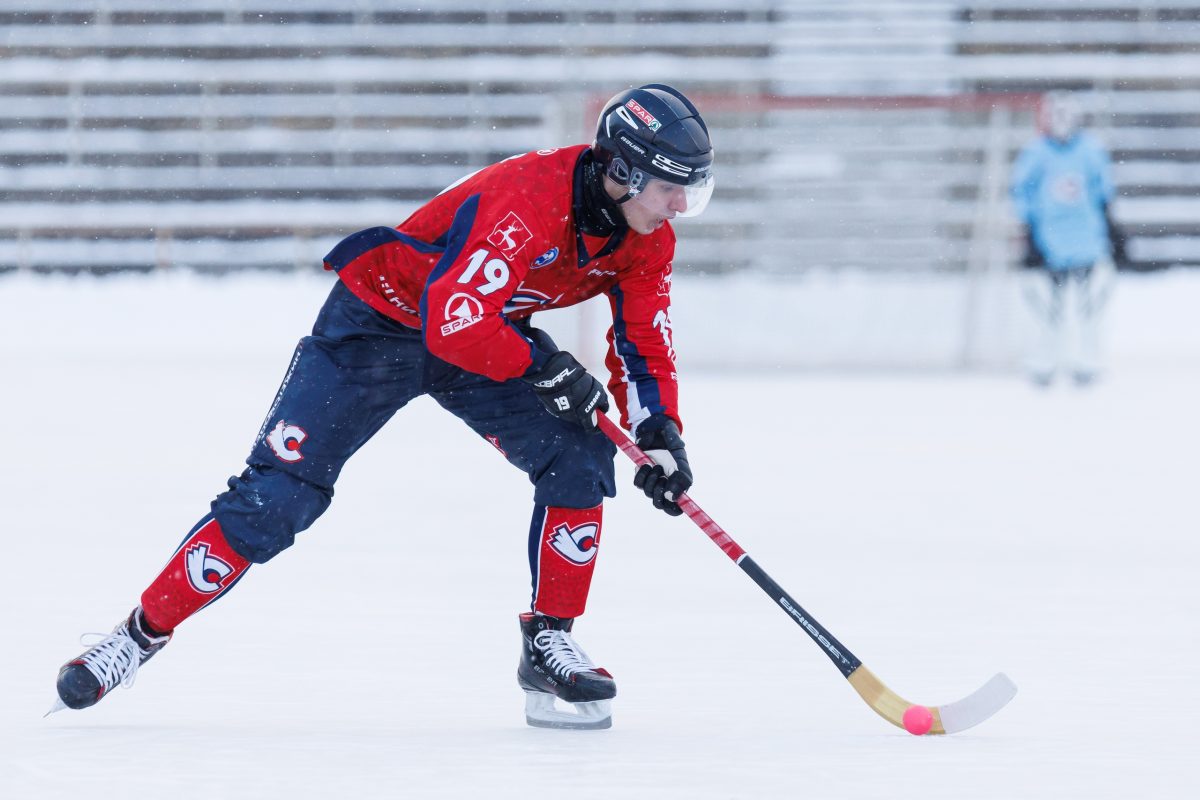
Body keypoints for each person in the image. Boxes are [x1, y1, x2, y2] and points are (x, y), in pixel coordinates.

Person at [50, 84, 713, 731]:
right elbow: (449, 321)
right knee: (279, 499)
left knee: (579, 451)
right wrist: (543, 366)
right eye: (670, 186)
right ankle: (136, 637)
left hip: (484, 337)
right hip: (379, 327)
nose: (681, 204)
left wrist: (659, 433)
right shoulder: (528, 202)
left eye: (692, 187)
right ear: (621, 171)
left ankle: (548, 645)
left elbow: (644, 341)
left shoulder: (647, 237)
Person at [1010, 92, 1126, 386]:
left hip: (1086, 241)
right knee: (1049, 311)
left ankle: (1087, 361)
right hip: (1049, 243)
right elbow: (1022, 195)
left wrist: (1114, 231)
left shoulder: (1090, 151)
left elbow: (1103, 193)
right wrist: (1028, 236)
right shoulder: (1036, 154)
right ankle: (1044, 362)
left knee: (1089, 308)